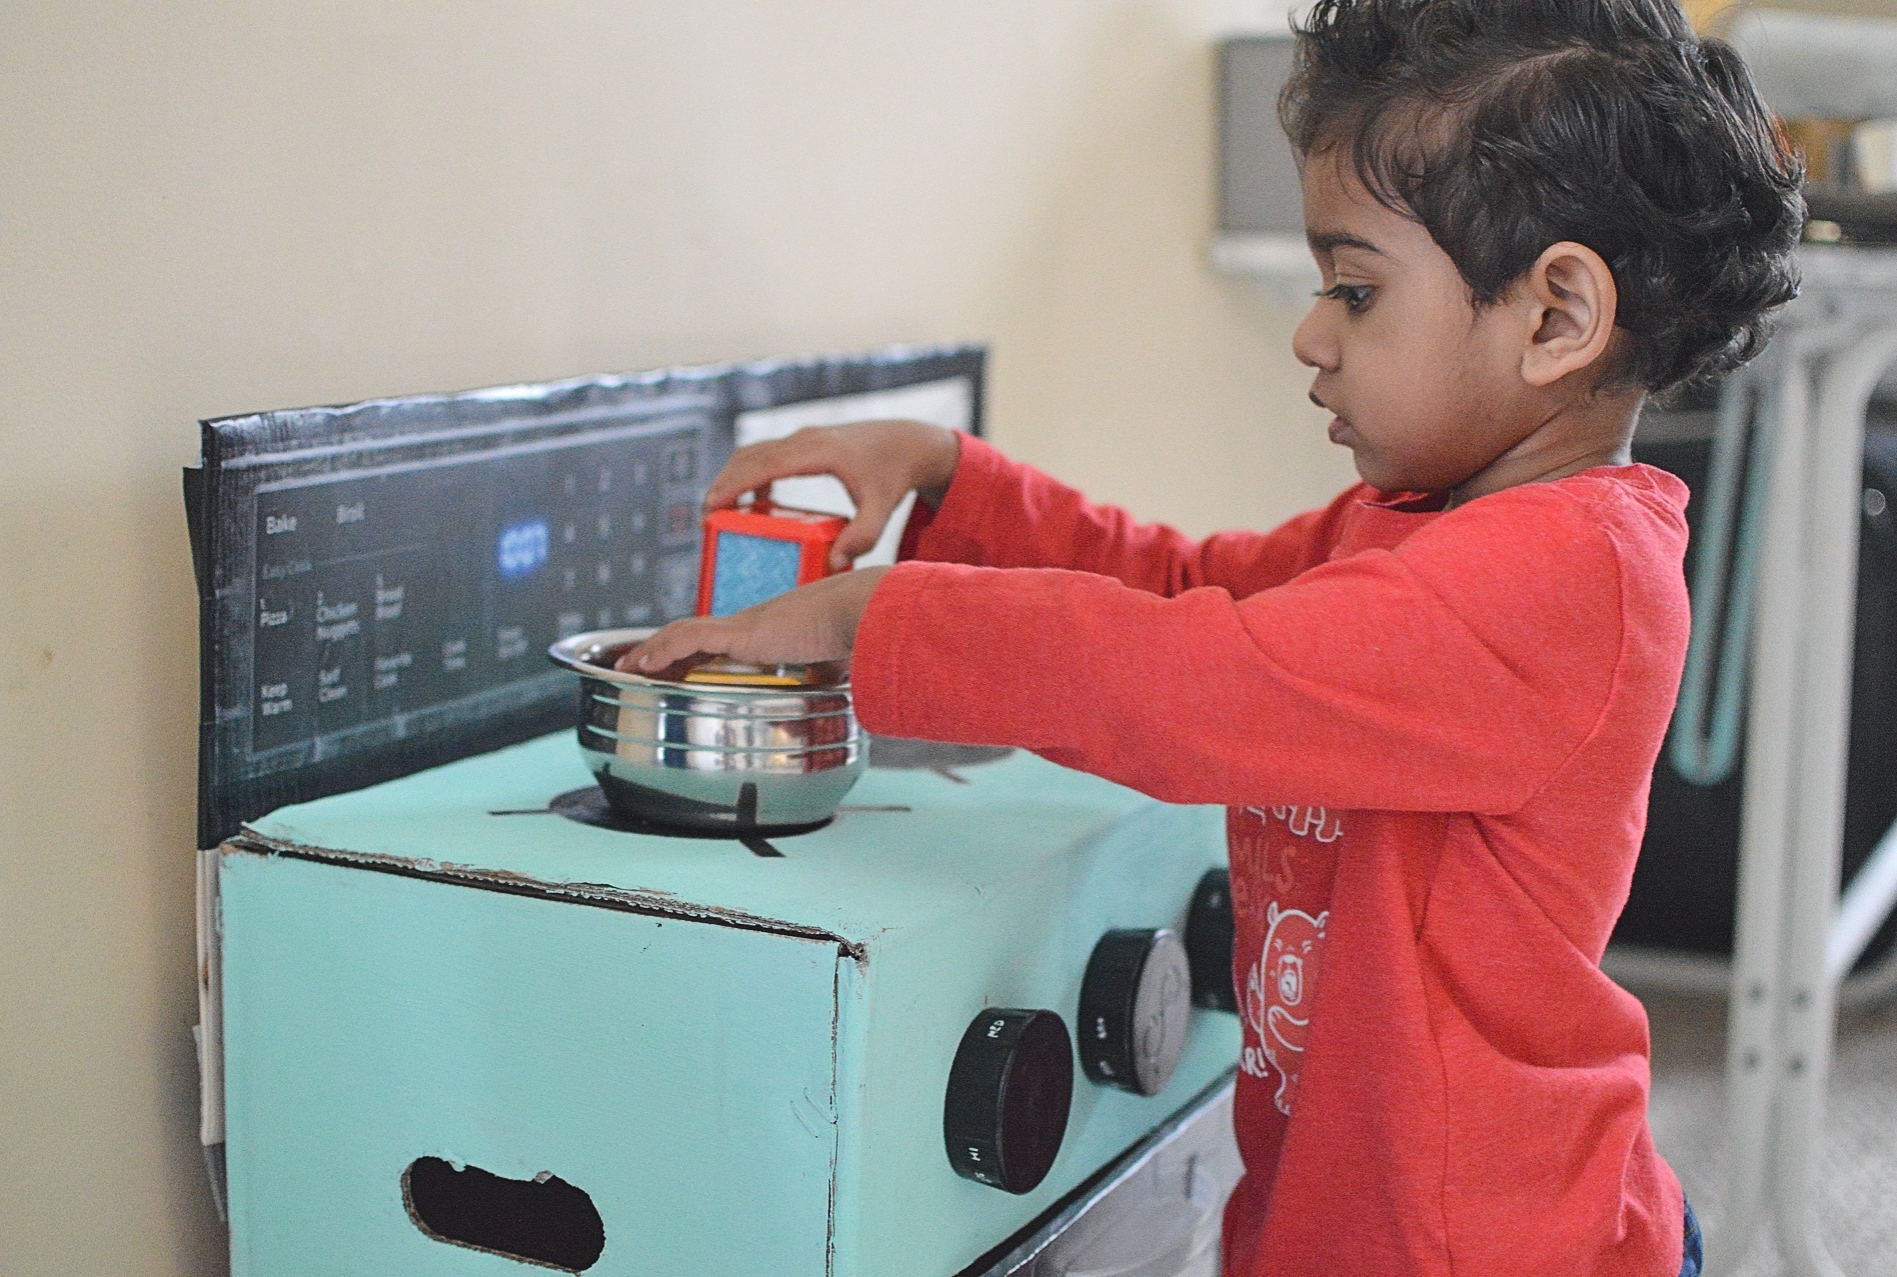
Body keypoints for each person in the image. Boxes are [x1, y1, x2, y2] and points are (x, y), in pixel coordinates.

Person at [621, 2, 1801, 1272]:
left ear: (1557, 316)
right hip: (1348, 1199)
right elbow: (1193, 589)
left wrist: (872, 619)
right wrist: (949, 474)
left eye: (1354, 289)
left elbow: (1200, 679)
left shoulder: (1568, 576)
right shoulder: (1414, 526)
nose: (1312, 333)